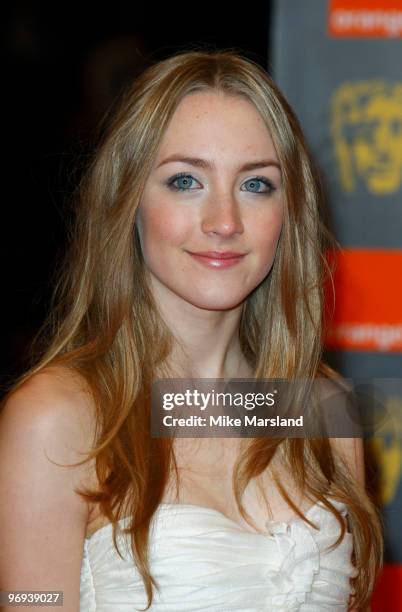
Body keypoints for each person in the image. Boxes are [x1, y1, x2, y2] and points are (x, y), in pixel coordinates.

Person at [0, 49, 383, 611]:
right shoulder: (61, 418)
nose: (224, 222)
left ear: (289, 214)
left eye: (256, 185)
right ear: (128, 201)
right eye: (185, 180)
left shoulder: (323, 410)